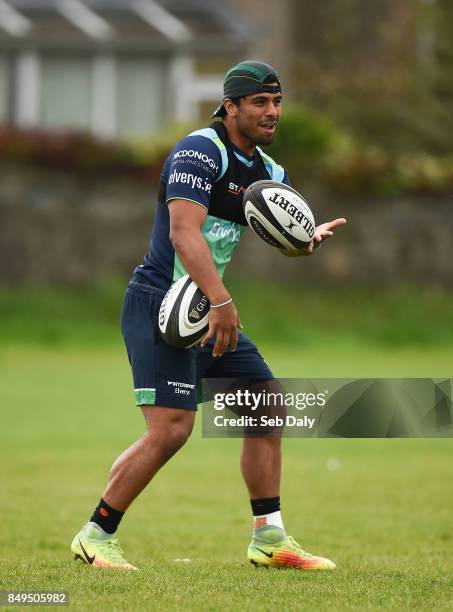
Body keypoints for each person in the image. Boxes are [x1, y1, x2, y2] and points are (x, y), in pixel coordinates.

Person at [70, 60, 346, 571]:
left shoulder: (269, 173)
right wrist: (222, 302)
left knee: (265, 406)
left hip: (206, 307)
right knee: (171, 429)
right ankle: (95, 535)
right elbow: (184, 233)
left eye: (277, 102)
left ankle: (269, 538)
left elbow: (272, 229)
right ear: (231, 105)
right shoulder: (199, 151)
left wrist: (302, 242)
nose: (271, 112)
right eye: (259, 102)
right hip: (164, 303)